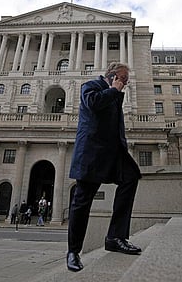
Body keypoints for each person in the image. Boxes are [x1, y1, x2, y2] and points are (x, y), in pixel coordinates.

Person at [66, 62, 142, 272]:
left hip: (114, 151)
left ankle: (115, 237)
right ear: (113, 76)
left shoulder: (114, 92)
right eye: (124, 80)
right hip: (92, 152)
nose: (125, 84)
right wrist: (114, 90)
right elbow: (93, 104)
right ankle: (73, 251)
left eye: (125, 81)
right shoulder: (90, 86)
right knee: (82, 201)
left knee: (131, 177)